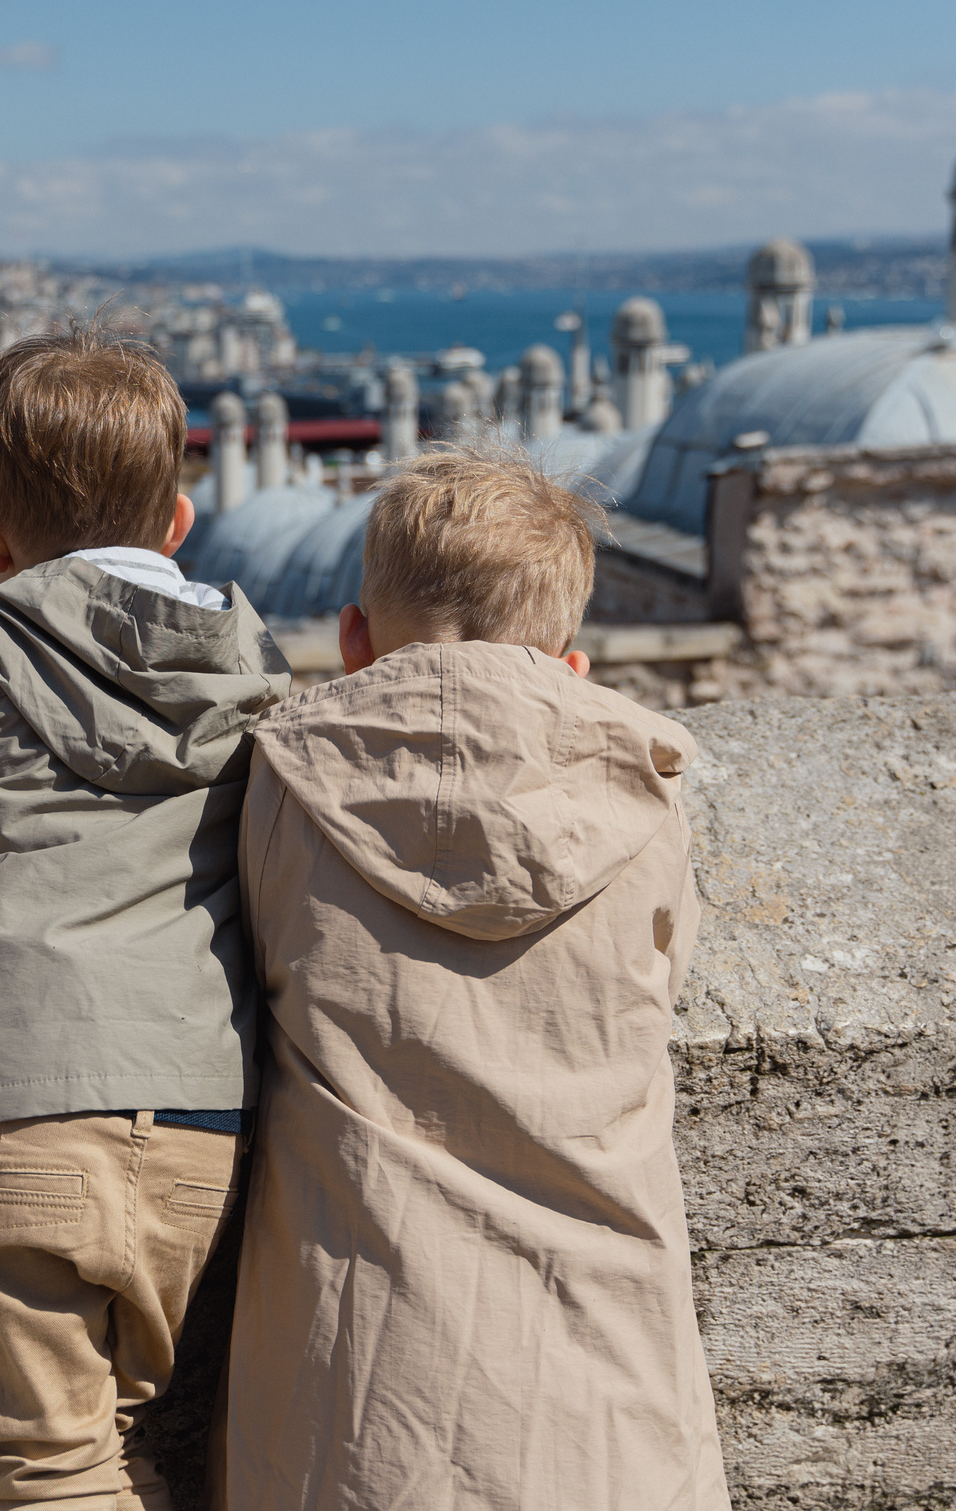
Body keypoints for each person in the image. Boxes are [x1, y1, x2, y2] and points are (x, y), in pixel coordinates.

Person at [224, 446, 730, 1511]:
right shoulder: (644, 795)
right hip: (603, 1380)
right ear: (569, 663)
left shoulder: (278, 781)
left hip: (357, 1382)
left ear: (354, 639)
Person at [0, 325, 291, 1510]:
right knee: (141, 1443)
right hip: (204, 1110)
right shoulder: (258, 666)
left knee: (50, 1467)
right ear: (178, 522)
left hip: (16, 1103)